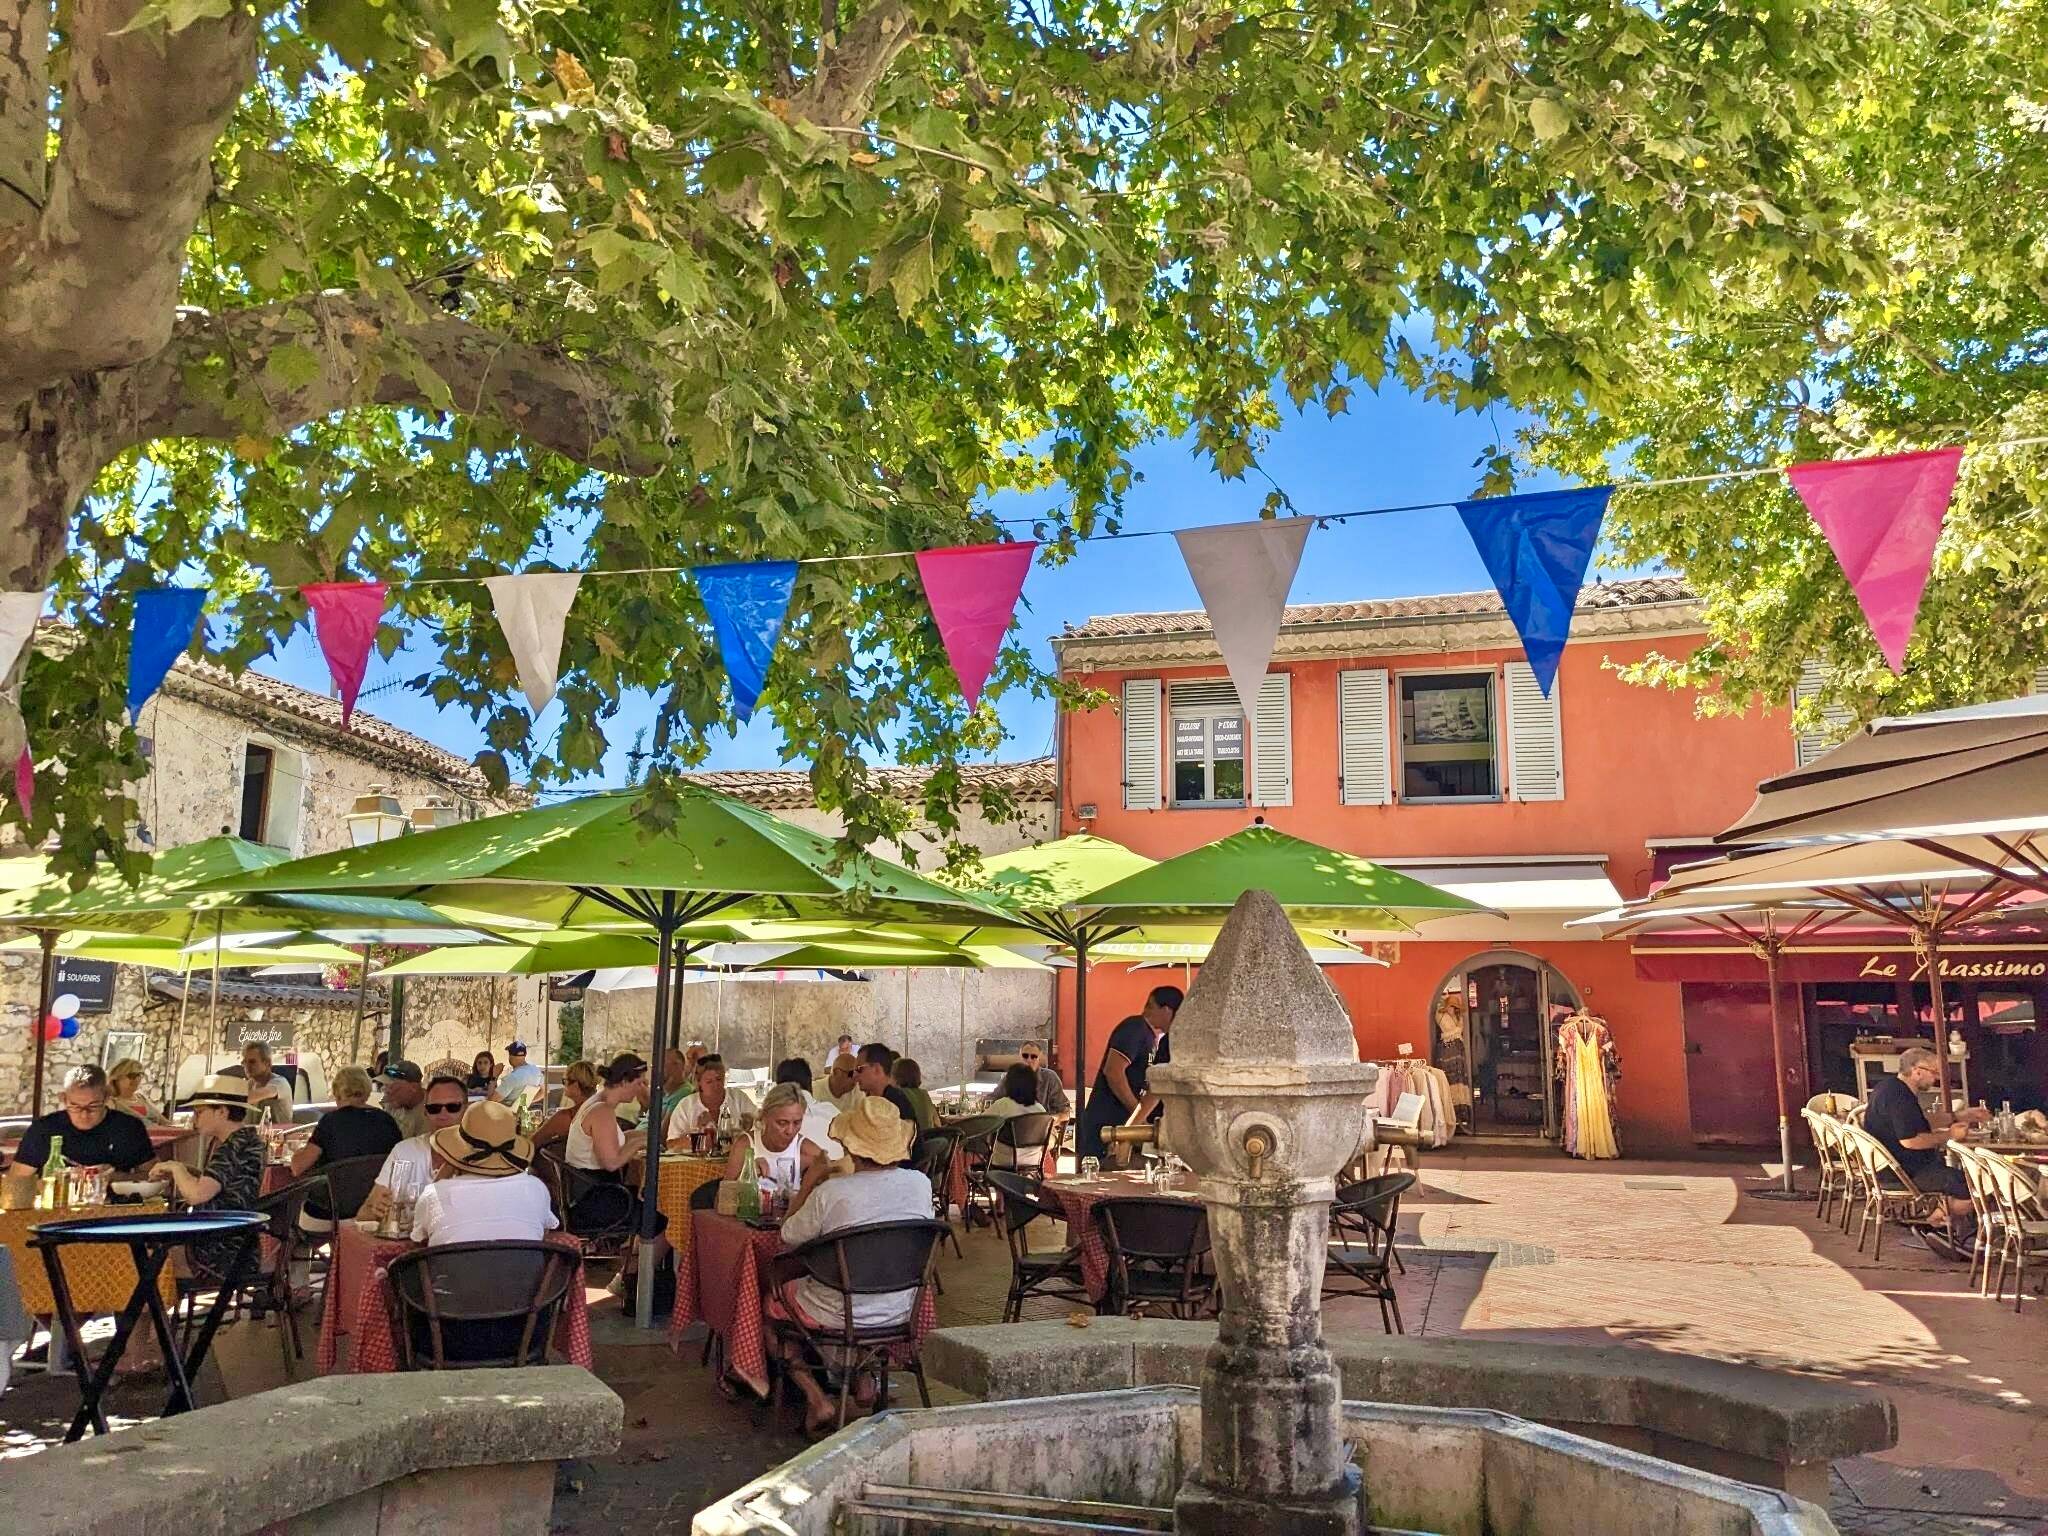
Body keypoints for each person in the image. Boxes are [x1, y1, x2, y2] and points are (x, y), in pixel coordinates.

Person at [771, 1095, 933, 1432]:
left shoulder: (833, 1193)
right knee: (860, 1285)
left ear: (851, 1146)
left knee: (771, 1303)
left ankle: (817, 1400)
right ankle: (863, 1380)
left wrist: (811, 1182)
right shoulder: (921, 1184)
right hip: (901, 1306)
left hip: (839, 1310)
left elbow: (788, 1235)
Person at [1864, 1046, 1987, 1256]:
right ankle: (1933, 1224)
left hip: (1897, 1166)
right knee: (1979, 1186)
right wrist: (1950, 1136)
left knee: (1969, 1176)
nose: (1937, 1078)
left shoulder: (1891, 1087)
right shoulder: (1899, 1097)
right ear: (1917, 1070)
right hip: (1905, 1172)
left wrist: (1960, 1116)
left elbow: (1920, 1122)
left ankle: (1952, 1230)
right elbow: (1911, 1141)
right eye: (1934, 1072)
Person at [152, 1075, 266, 1285]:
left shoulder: (232, 1147)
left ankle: (148, 1316)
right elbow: (220, 1182)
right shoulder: (247, 1139)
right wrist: (186, 1171)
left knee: (144, 1259)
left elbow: (197, 1195)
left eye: (199, 1112)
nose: (195, 1119)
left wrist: (176, 1167)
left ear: (222, 1111)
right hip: (240, 1240)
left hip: (219, 1249)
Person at [411, 1099, 558, 1246]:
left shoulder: (434, 1194)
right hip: (525, 1269)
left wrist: (447, 1169)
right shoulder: (535, 1188)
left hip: (453, 1269)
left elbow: (420, 1239)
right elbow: (542, 1234)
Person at [5, 1065, 154, 1189]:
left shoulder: (128, 1127)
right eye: (75, 1106)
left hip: (113, 1207)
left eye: (93, 1106)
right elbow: (16, 1183)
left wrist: (116, 1178)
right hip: (55, 1206)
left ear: (107, 1097)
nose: (84, 1115)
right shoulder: (45, 1129)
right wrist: (55, 1183)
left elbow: (155, 1176)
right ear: (63, 1098)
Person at [1075, 985, 1181, 1161]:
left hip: (1126, 1123)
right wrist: (1136, 1117)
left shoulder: (1155, 1039)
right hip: (1108, 1119)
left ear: (1167, 1010)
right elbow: (1113, 1072)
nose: (1145, 1011)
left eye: (1150, 1006)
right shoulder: (1135, 1027)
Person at [291, 1066, 403, 1230]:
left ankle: (292, 1253)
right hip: (374, 1211)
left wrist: (296, 1153)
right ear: (366, 1091)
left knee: (290, 1212)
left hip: (329, 1212)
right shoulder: (387, 1121)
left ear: (337, 1092)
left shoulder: (330, 1122)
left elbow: (297, 1168)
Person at [363, 1075, 469, 1222]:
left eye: (453, 1107)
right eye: (434, 1109)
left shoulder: (486, 1158)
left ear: (467, 1110)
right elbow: (364, 1214)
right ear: (425, 1112)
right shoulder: (404, 1151)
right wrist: (376, 1210)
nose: (443, 1115)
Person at [722, 1081, 819, 1197]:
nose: (790, 1130)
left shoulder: (805, 1150)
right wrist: (749, 1172)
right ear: (765, 1117)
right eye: (782, 1123)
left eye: (797, 1123)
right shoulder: (746, 1145)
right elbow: (722, 1199)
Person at [666, 1054, 756, 1146]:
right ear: (699, 1082)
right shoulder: (686, 1106)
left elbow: (760, 1127)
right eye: (709, 1081)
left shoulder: (738, 1099)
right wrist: (697, 1134)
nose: (715, 1085)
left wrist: (746, 1129)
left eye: (719, 1079)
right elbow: (671, 1143)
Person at [855, 1043, 923, 1161]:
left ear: (877, 1069)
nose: (855, 1075)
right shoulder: (876, 1100)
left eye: (859, 1069)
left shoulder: (894, 1102)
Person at [982, 1063, 1045, 1169]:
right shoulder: (1040, 1109)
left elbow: (981, 1124)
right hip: (1034, 1162)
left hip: (1003, 1161)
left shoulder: (1002, 1105)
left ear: (1009, 1083)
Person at [533, 1060, 598, 1152]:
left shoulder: (565, 1117)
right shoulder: (601, 1111)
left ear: (575, 1085)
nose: (564, 1085)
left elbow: (533, 1142)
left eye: (565, 1081)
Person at [239, 1041, 294, 1126]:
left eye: (252, 1062)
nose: (247, 1066)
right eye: (244, 1062)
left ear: (267, 1063)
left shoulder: (280, 1083)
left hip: (278, 1137)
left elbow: (266, 1092)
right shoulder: (250, 1084)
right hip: (253, 1137)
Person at [1011, 1040, 1069, 1118]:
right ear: (1020, 1057)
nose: (1029, 1060)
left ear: (1039, 1058)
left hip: (1042, 1127)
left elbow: (1063, 1111)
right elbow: (995, 1102)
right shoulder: (1009, 1078)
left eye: (1033, 1056)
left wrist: (1048, 1121)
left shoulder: (1050, 1078)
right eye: (1025, 1056)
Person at [380, 1059, 428, 1138]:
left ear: (413, 1087)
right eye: (385, 1085)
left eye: (392, 1086)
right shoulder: (393, 1104)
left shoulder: (435, 1111)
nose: (385, 1090)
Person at [891, 1057, 939, 1134]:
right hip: (928, 1141)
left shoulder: (897, 1095)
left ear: (896, 1078)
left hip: (909, 1142)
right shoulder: (924, 1094)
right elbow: (937, 1124)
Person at [106, 1058, 162, 1122]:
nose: (137, 1079)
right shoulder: (110, 1102)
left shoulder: (141, 1098)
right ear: (117, 1078)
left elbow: (165, 1122)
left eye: (140, 1075)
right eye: (132, 1076)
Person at [493, 1040, 545, 1106]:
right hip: (522, 1111)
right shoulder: (536, 1070)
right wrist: (524, 1103)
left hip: (505, 1113)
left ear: (511, 1056)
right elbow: (544, 1091)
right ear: (525, 1054)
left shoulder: (513, 1078)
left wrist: (495, 1075)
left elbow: (493, 1101)